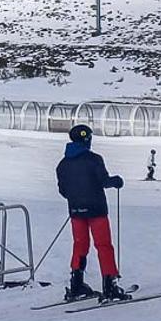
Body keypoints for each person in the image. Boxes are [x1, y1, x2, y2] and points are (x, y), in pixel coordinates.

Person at [56, 124, 129, 302]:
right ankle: (110, 285)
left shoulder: (63, 164)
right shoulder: (94, 159)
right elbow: (104, 181)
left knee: (80, 245)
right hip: (96, 210)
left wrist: (77, 197)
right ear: (87, 140)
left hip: (75, 211)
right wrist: (117, 181)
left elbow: (63, 190)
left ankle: (76, 283)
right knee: (103, 246)